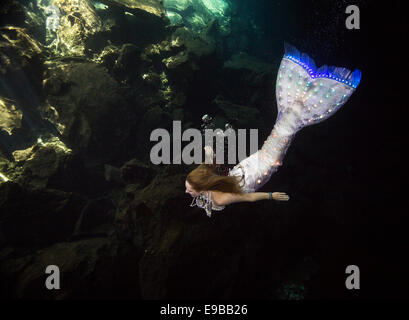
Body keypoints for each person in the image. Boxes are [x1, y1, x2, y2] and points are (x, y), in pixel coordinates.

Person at [186, 43, 362, 217]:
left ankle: (306, 95)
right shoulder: (211, 185)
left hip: (265, 163)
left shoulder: (219, 199)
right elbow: (211, 165)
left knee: (286, 128)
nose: (186, 192)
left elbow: (248, 198)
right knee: (283, 128)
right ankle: (302, 97)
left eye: (189, 188)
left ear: (203, 185)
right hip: (253, 164)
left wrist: (271, 195)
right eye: (188, 188)